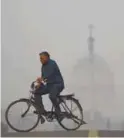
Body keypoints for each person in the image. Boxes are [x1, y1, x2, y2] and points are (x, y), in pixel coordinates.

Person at [34, 51, 65, 123]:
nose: (40, 60)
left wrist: (41, 79)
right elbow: (43, 77)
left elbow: (49, 74)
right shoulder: (43, 66)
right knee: (36, 92)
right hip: (49, 85)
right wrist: (39, 84)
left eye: (42, 58)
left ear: (47, 57)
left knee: (52, 96)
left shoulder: (52, 63)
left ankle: (59, 114)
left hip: (58, 84)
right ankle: (42, 112)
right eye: (40, 59)